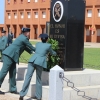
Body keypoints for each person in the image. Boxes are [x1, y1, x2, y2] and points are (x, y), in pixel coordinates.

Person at [19, 33, 57, 100]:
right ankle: (38, 96)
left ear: (41, 39)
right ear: (47, 39)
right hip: (39, 62)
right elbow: (52, 53)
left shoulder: (38, 44)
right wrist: (55, 53)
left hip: (32, 61)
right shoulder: (48, 45)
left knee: (28, 77)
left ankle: (22, 94)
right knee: (38, 79)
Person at [0, 27, 35, 93]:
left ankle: (13, 89)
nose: (29, 33)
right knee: (4, 71)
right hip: (9, 55)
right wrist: (38, 51)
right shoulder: (24, 38)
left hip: (13, 56)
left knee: (13, 72)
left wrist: (32, 52)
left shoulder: (21, 37)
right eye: (28, 32)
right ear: (27, 32)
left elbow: (26, 48)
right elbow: (31, 46)